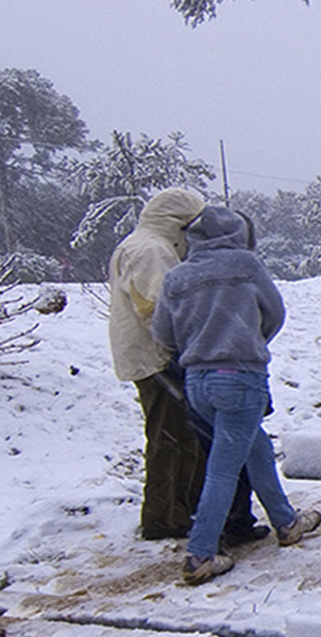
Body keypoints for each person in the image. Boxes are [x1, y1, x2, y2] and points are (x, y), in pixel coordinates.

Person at [151, 205, 321, 585]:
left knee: (255, 449)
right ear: (235, 234)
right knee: (224, 469)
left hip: (197, 383)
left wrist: (199, 344)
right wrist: (248, 340)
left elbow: (162, 332)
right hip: (239, 379)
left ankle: (287, 522)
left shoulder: (177, 277)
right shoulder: (246, 266)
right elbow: (275, 313)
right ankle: (200, 555)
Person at [106, 188, 266, 545]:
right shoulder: (153, 251)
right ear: (178, 223)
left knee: (183, 437)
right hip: (157, 358)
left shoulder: (140, 244)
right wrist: (191, 347)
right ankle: (165, 518)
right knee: (171, 440)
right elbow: (161, 309)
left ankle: (185, 509)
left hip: (147, 354)